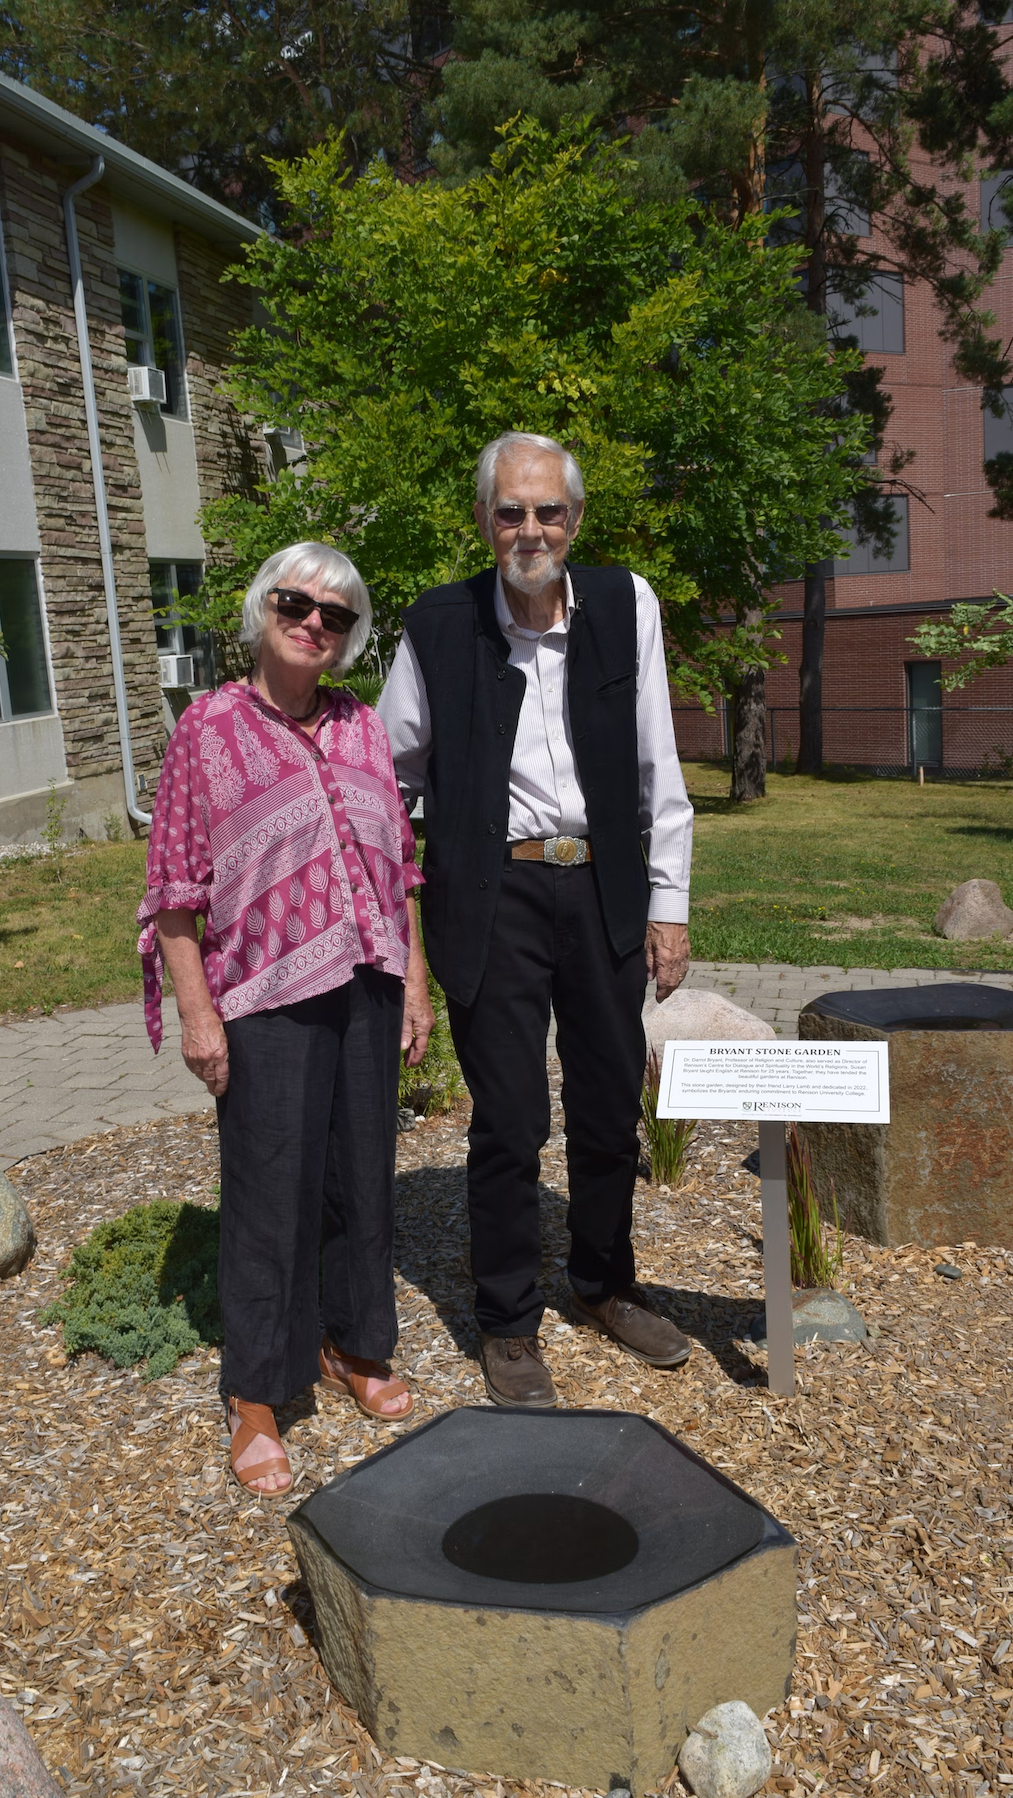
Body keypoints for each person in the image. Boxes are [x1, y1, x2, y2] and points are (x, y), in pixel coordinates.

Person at [377, 431, 695, 1408]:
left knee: (608, 1104)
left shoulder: (627, 604)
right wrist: (400, 920)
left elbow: (658, 763)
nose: (530, 529)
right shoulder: (439, 625)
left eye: (548, 511)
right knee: (511, 1121)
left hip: (603, 888)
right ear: (484, 520)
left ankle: (604, 1283)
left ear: (576, 519)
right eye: (510, 511)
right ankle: (509, 1322)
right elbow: (388, 777)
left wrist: (671, 904)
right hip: (495, 895)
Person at [138, 543, 435, 1495]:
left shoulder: (361, 727)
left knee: (364, 1177)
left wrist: (415, 982)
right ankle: (256, 1391)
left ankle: (353, 1344)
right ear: (262, 609)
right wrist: (198, 1017)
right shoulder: (208, 728)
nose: (313, 623)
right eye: (296, 604)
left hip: (368, 979)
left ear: (350, 636)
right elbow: (174, 891)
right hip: (263, 994)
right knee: (270, 1193)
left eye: (335, 616)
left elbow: (400, 869)